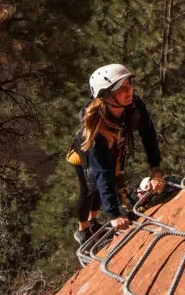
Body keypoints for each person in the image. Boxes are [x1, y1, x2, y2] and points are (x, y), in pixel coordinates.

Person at [67, 63, 165, 245]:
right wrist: (113, 214)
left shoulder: (134, 105)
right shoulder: (95, 128)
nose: (130, 91)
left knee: (110, 177)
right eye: (122, 88)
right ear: (106, 96)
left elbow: (148, 135)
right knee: (90, 189)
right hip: (84, 153)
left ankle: (93, 220)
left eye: (129, 85)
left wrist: (156, 170)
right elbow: (101, 172)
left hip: (113, 143)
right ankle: (83, 230)